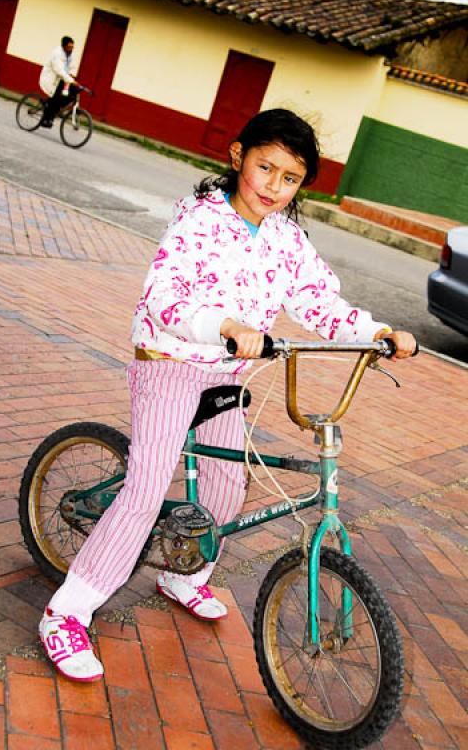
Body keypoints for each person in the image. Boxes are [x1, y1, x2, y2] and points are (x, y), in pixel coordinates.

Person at [38, 108, 417, 681]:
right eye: (266, 168)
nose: (274, 187)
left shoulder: (287, 240)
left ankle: (182, 574)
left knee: (226, 484)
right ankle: (66, 613)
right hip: (171, 363)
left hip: (226, 377)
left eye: (289, 179)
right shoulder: (198, 223)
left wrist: (377, 334)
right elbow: (166, 298)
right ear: (239, 156)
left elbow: (320, 304)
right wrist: (222, 326)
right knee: (144, 492)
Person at [39, 36, 79, 128]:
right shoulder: (56, 54)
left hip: (63, 80)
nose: (71, 49)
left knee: (73, 93)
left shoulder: (71, 55)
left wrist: (72, 76)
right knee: (56, 97)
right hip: (51, 80)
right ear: (63, 46)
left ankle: (54, 109)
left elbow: (73, 67)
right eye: (69, 47)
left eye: (72, 47)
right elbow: (59, 70)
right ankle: (46, 119)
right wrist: (71, 80)